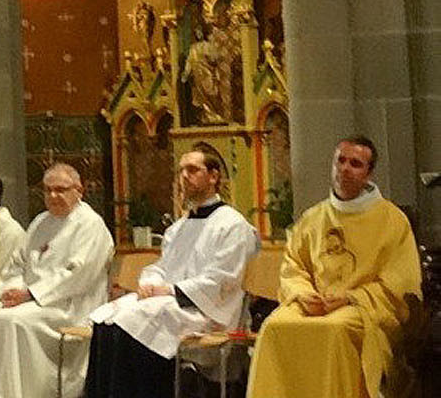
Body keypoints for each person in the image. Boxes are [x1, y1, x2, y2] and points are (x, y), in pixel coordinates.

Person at [248, 136, 422, 398]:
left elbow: (400, 282)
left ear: (368, 173)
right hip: (314, 303)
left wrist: (350, 297)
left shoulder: (392, 220)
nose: (345, 169)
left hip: (364, 309)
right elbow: (293, 266)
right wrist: (303, 294)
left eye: (355, 164)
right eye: (340, 161)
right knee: (274, 327)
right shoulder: (313, 217)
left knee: (335, 330)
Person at [85, 149, 260, 398]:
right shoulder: (179, 228)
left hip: (207, 310)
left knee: (132, 322)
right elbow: (161, 267)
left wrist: (168, 290)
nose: (184, 176)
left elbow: (223, 279)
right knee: (107, 319)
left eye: (193, 170)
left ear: (213, 176)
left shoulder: (233, 224)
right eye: (181, 171)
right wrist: (150, 282)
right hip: (172, 303)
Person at [0, 162, 114, 398]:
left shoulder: (90, 225)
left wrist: (31, 294)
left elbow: (78, 274)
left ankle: (30, 392)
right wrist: (11, 291)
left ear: (79, 191)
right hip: (32, 301)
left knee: (14, 322)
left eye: (61, 189)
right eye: (47, 190)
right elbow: (17, 264)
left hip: (69, 307)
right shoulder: (39, 222)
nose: (53, 195)